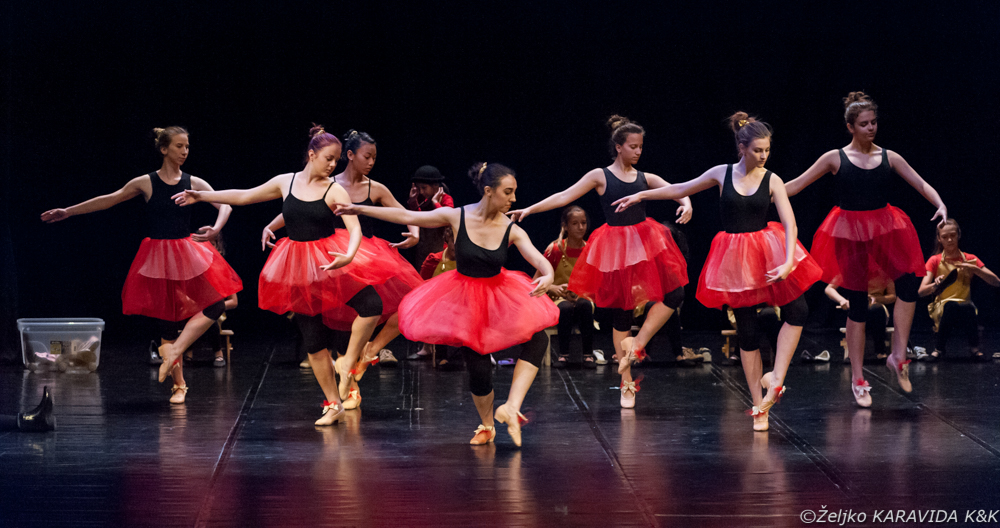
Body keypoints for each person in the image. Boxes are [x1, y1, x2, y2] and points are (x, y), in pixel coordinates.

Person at [613, 112, 822, 431]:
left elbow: (790, 222)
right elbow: (681, 187)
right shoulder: (721, 174)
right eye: (758, 150)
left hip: (769, 251)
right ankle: (759, 405)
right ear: (742, 148)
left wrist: (789, 260)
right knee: (747, 331)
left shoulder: (772, 179)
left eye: (767, 150)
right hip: (736, 259)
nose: (763, 156)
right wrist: (642, 194)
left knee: (798, 310)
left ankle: (776, 378)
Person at [174, 124, 390, 425]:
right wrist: (201, 195)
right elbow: (245, 196)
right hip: (299, 267)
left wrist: (350, 255)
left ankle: (349, 361)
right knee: (313, 340)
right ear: (311, 154)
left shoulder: (334, 190)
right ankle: (333, 404)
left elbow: (354, 229)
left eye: (336, 160)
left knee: (371, 305)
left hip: (330, 259)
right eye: (328, 158)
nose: (332, 165)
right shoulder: (285, 182)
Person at [334, 162, 558, 447]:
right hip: (466, 299)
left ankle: (511, 407)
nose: (513, 199)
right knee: (479, 371)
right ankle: (487, 425)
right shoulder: (457, 216)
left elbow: (539, 260)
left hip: (501, 296)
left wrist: (548, 276)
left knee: (538, 339)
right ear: (488, 191)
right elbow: (407, 215)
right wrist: (360, 209)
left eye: (514, 192)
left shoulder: (511, 229)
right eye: (508, 192)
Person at [41, 127, 242, 404]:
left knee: (217, 303)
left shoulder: (193, 181)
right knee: (168, 322)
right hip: (160, 257)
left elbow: (225, 204)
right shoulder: (146, 182)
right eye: (179, 146)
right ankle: (179, 385)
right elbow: (109, 200)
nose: (185, 151)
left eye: (187, 146)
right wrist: (68, 211)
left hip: (188, 253)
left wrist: (216, 229)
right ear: (164, 149)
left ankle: (176, 350)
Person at [509, 116, 692, 408]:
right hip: (615, 248)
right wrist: (530, 209)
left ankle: (638, 344)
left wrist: (687, 204)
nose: (638, 151)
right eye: (632, 146)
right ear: (618, 147)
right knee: (622, 313)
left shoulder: (645, 178)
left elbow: (677, 190)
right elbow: (564, 195)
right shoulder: (601, 176)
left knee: (675, 293)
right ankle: (626, 382)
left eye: (640, 147)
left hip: (645, 244)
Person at [785, 91, 948, 406]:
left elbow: (920, 183)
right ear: (850, 127)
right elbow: (797, 184)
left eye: (873, 122)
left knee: (908, 284)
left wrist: (940, 203)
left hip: (885, 229)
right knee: (858, 303)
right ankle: (858, 378)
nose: (871, 128)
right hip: (849, 232)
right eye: (864, 124)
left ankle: (897, 356)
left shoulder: (889, 157)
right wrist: (765, 189)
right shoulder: (835, 158)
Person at [262, 130, 424, 409]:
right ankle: (348, 389)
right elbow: (299, 206)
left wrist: (415, 232)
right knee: (338, 325)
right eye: (367, 156)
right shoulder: (328, 183)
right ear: (350, 155)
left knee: (404, 301)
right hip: (330, 256)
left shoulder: (375, 188)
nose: (371, 162)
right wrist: (271, 225)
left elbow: (401, 212)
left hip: (366, 256)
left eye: (374, 157)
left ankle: (369, 352)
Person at [918, 219, 999, 361]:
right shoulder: (934, 260)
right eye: (945, 237)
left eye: (952, 235)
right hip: (942, 307)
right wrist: (935, 285)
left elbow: (996, 282)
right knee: (951, 305)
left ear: (958, 235)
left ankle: (974, 349)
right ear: (939, 238)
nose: (949, 240)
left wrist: (975, 269)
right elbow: (921, 291)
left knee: (968, 307)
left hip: (965, 306)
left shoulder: (970, 258)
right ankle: (939, 349)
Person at [536, 205, 603, 368]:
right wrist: (552, 287)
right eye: (575, 223)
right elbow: (536, 280)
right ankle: (563, 355)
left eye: (583, 223)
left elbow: (598, 282)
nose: (580, 227)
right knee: (565, 308)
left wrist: (582, 292)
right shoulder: (555, 249)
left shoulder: (590, 250)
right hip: (558, 299)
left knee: (585, 305)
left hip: (582, 298)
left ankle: (588, 355)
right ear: (565, 226)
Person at [825, 282, 895, 361]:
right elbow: (829, 289)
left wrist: (877, 298)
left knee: (876, 309)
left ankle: (880, 350)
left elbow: (892, 295)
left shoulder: (884, 274)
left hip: (876, 310)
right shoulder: (852, 273)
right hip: (856, 306)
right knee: (857, 311)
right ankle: (853, 354)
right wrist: (842, 300)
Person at [407, 165, 455, 267]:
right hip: (423, 251)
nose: (421, 192)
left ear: (435, 186)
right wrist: (413, 202)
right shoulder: (420, 199)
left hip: (440, 252)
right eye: (419, 188)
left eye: (424, 188)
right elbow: (417, 219)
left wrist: (435, 202)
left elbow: (447, 220)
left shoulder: (446, 199)